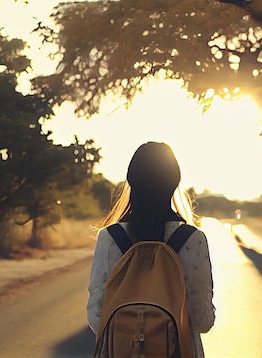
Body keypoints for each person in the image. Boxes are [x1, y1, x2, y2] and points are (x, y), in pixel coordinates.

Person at [87, 141, 215, 357]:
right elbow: (203, 321)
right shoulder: (193, 239)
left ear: (131, 181)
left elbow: (96, 316)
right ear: (174, 183)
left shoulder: (110, 237)